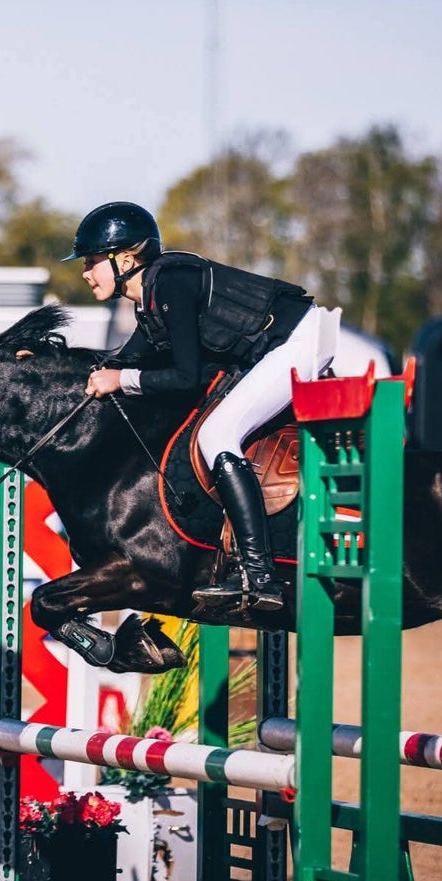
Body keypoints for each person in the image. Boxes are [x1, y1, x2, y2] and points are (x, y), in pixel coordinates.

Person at [64, 201, 335, 613]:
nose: (85, 272)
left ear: (125, 258)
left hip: (297, 343)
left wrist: (122, 381)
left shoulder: (170, 285)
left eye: (92, 261)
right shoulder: (149, 298)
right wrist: (51, 365)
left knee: (217, 434)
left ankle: (258, 575)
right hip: (274, 348)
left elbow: (183, 378)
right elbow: (115, 363)